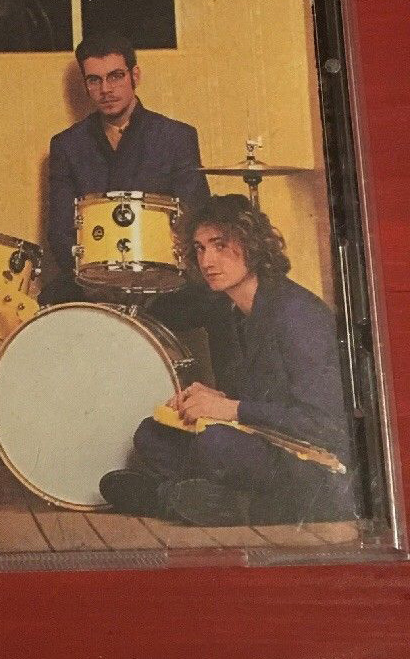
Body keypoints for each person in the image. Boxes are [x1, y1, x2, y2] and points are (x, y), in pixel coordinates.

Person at [99, 194, 355, 526]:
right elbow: (251, 399)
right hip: (261, 442)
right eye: (200, 248)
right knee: (150, 434)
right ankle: (210, 500)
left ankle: (167, 498)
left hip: (315, 464)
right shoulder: (229, 311)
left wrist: (230, 409)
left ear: (252, 245)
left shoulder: (296, 314)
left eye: (220, 246)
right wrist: (214, 399)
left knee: (216, 444)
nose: (207, 260)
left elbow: (325, 424)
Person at [42, 33, 211, 306]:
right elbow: (60, 232)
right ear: (85, 85)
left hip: (164, 281)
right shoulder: (67, 145)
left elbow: (197, 216)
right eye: (94, 80)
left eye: (116, 76)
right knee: (48, 302)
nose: (105, 89)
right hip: (92, 284)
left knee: (213, 303)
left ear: (135, 76)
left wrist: (165, 276)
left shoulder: (176, 137)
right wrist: (92, 283)